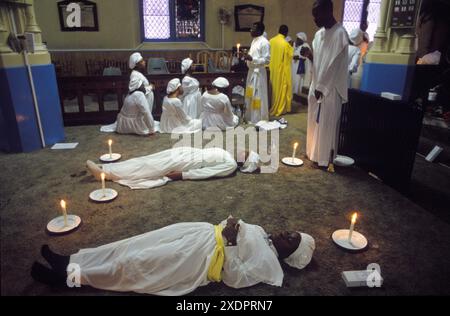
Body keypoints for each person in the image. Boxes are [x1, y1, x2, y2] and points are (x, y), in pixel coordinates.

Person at [31, 216, 315, 295]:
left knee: (134, 264)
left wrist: (229, 242)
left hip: (199, 259)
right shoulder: (264, 233)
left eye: (292, 239)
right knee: (131, 245)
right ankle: (69, 261)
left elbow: (236, 279)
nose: (286, 232)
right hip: (199, 232)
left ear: (291, 254)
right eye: (292, 231)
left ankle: (66, 279)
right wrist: (228, 228)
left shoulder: (269, 267)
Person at [301, 0, 348, 167]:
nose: (314, 19)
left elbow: (334, 66)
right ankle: (312, 152)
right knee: (314, 120)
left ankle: (324, 158)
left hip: (330, 88)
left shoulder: (340, 34)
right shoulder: (319, 35)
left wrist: (322, 87)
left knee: (327, 122)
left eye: (317, 15)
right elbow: (319, 61)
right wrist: (310, 55)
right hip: (317, 84)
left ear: (328, 11)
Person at [84, 146, 262, 189]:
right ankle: (110, 166)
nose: (241, 149)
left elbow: (206, 173)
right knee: (149, 159)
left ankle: (107, 174)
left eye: (244, 153)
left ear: (243, 162)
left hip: (188, 163)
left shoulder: (230, 165)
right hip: (187, 152)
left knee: (152, 167)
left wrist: (182, 175)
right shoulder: (229, 154)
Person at [243, 22, 271, 124]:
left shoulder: (265, 42)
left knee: (257, 95)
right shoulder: (254, 41)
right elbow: (251, 56)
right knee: (250, 94)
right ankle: (250, 117)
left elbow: (267, 60)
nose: (250, 30)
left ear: (259, 30)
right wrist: (247, 57)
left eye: (253, 28)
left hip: (258, 73)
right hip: (251, 72)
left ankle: (258, 118)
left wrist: (252, 59)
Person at [269, 25, 294, 117]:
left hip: (271, 69)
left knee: (272, 90)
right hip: (280, 71)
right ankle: (280, 109)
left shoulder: (271, 41)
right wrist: (291, 46)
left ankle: (270, 105)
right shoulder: (285, 43)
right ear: (286, 33)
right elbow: (290, 56)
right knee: (281, 90)